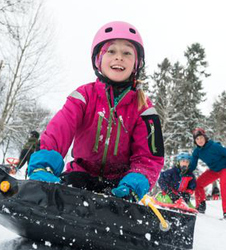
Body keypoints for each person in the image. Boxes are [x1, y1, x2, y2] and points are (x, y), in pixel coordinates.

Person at [27, 21, 164, 201]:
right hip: (79, 177)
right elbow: (58, 133)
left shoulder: (144, 108)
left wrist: (132, 186)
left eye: (127, 53)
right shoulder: (83, 96)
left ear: (136, 63)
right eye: (111, 51)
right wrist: (43, 166)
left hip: (119, 186)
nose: (119, 57)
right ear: (98, 59)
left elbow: (148, 158)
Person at [189, 128, 226, 224]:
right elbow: (192, 165)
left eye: (201, 137)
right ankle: (200, 205)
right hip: (214, 170)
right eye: (197, 139)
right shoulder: (197, 151)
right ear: (195, 141)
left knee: (224, 184)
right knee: (198, 184)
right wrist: (186, 173)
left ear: (205, 137)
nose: (200, 140)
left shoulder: (214, 146)